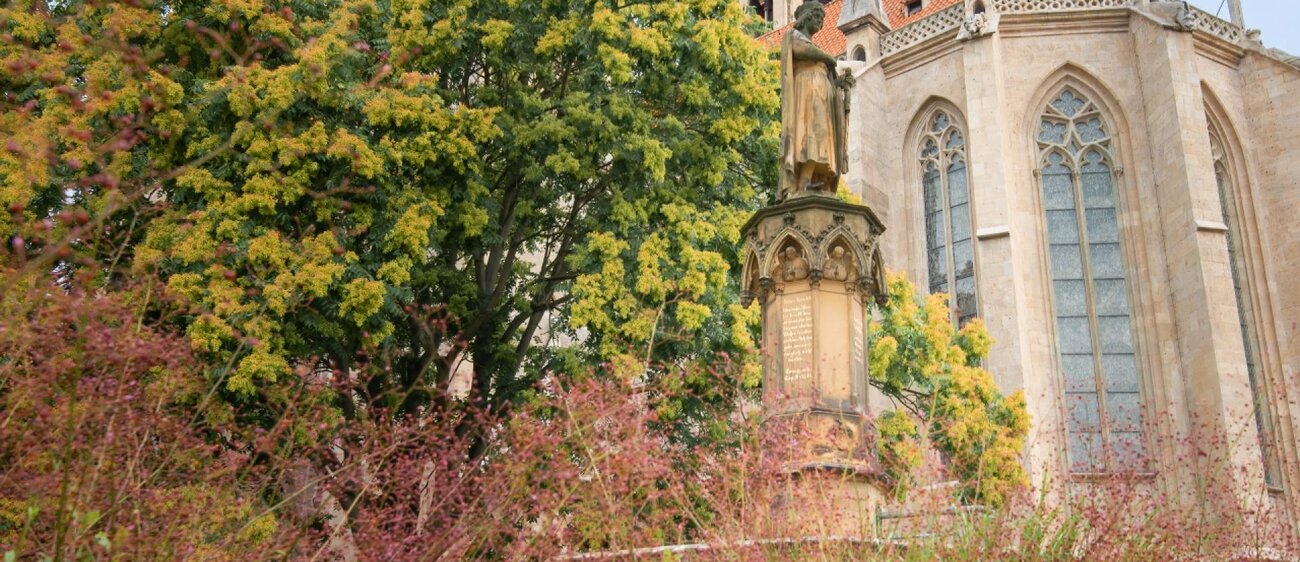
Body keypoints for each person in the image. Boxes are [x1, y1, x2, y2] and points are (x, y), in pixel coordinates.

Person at [780, 0, 851, 200]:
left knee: (821, 137)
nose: (821, 23)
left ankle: (814, 181)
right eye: (818, 17)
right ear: (806, 17)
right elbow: (802, 51)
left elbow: (829, 73)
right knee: (808, 134)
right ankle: (803, 182)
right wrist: (829, 58)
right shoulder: (793, 36)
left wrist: (841, 85)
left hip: (821, 92)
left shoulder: (814, 46)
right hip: (806, 90)